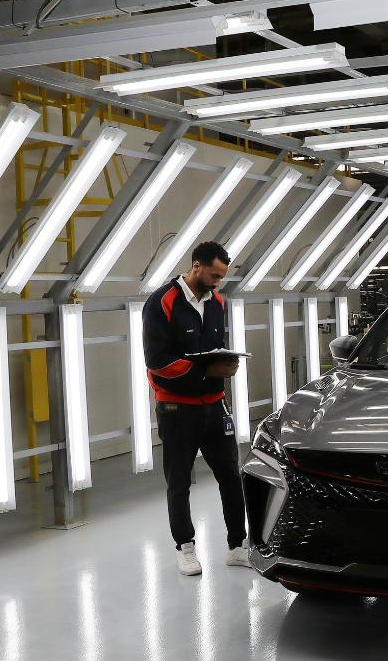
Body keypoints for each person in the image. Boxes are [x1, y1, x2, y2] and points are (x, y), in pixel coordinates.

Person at [142, 241, 249, 576]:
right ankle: (185, 548)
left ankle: (237, 546)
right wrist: (206, 371)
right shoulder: (162, 302)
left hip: (215, 406)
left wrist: (226, 364)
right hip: (177, 409)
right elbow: (157, 362)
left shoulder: (218, 302)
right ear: (196, 266)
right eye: (214, 275)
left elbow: (214, 348)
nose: (218, 282)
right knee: (179, 481)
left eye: (222, 277)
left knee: (231, 476)